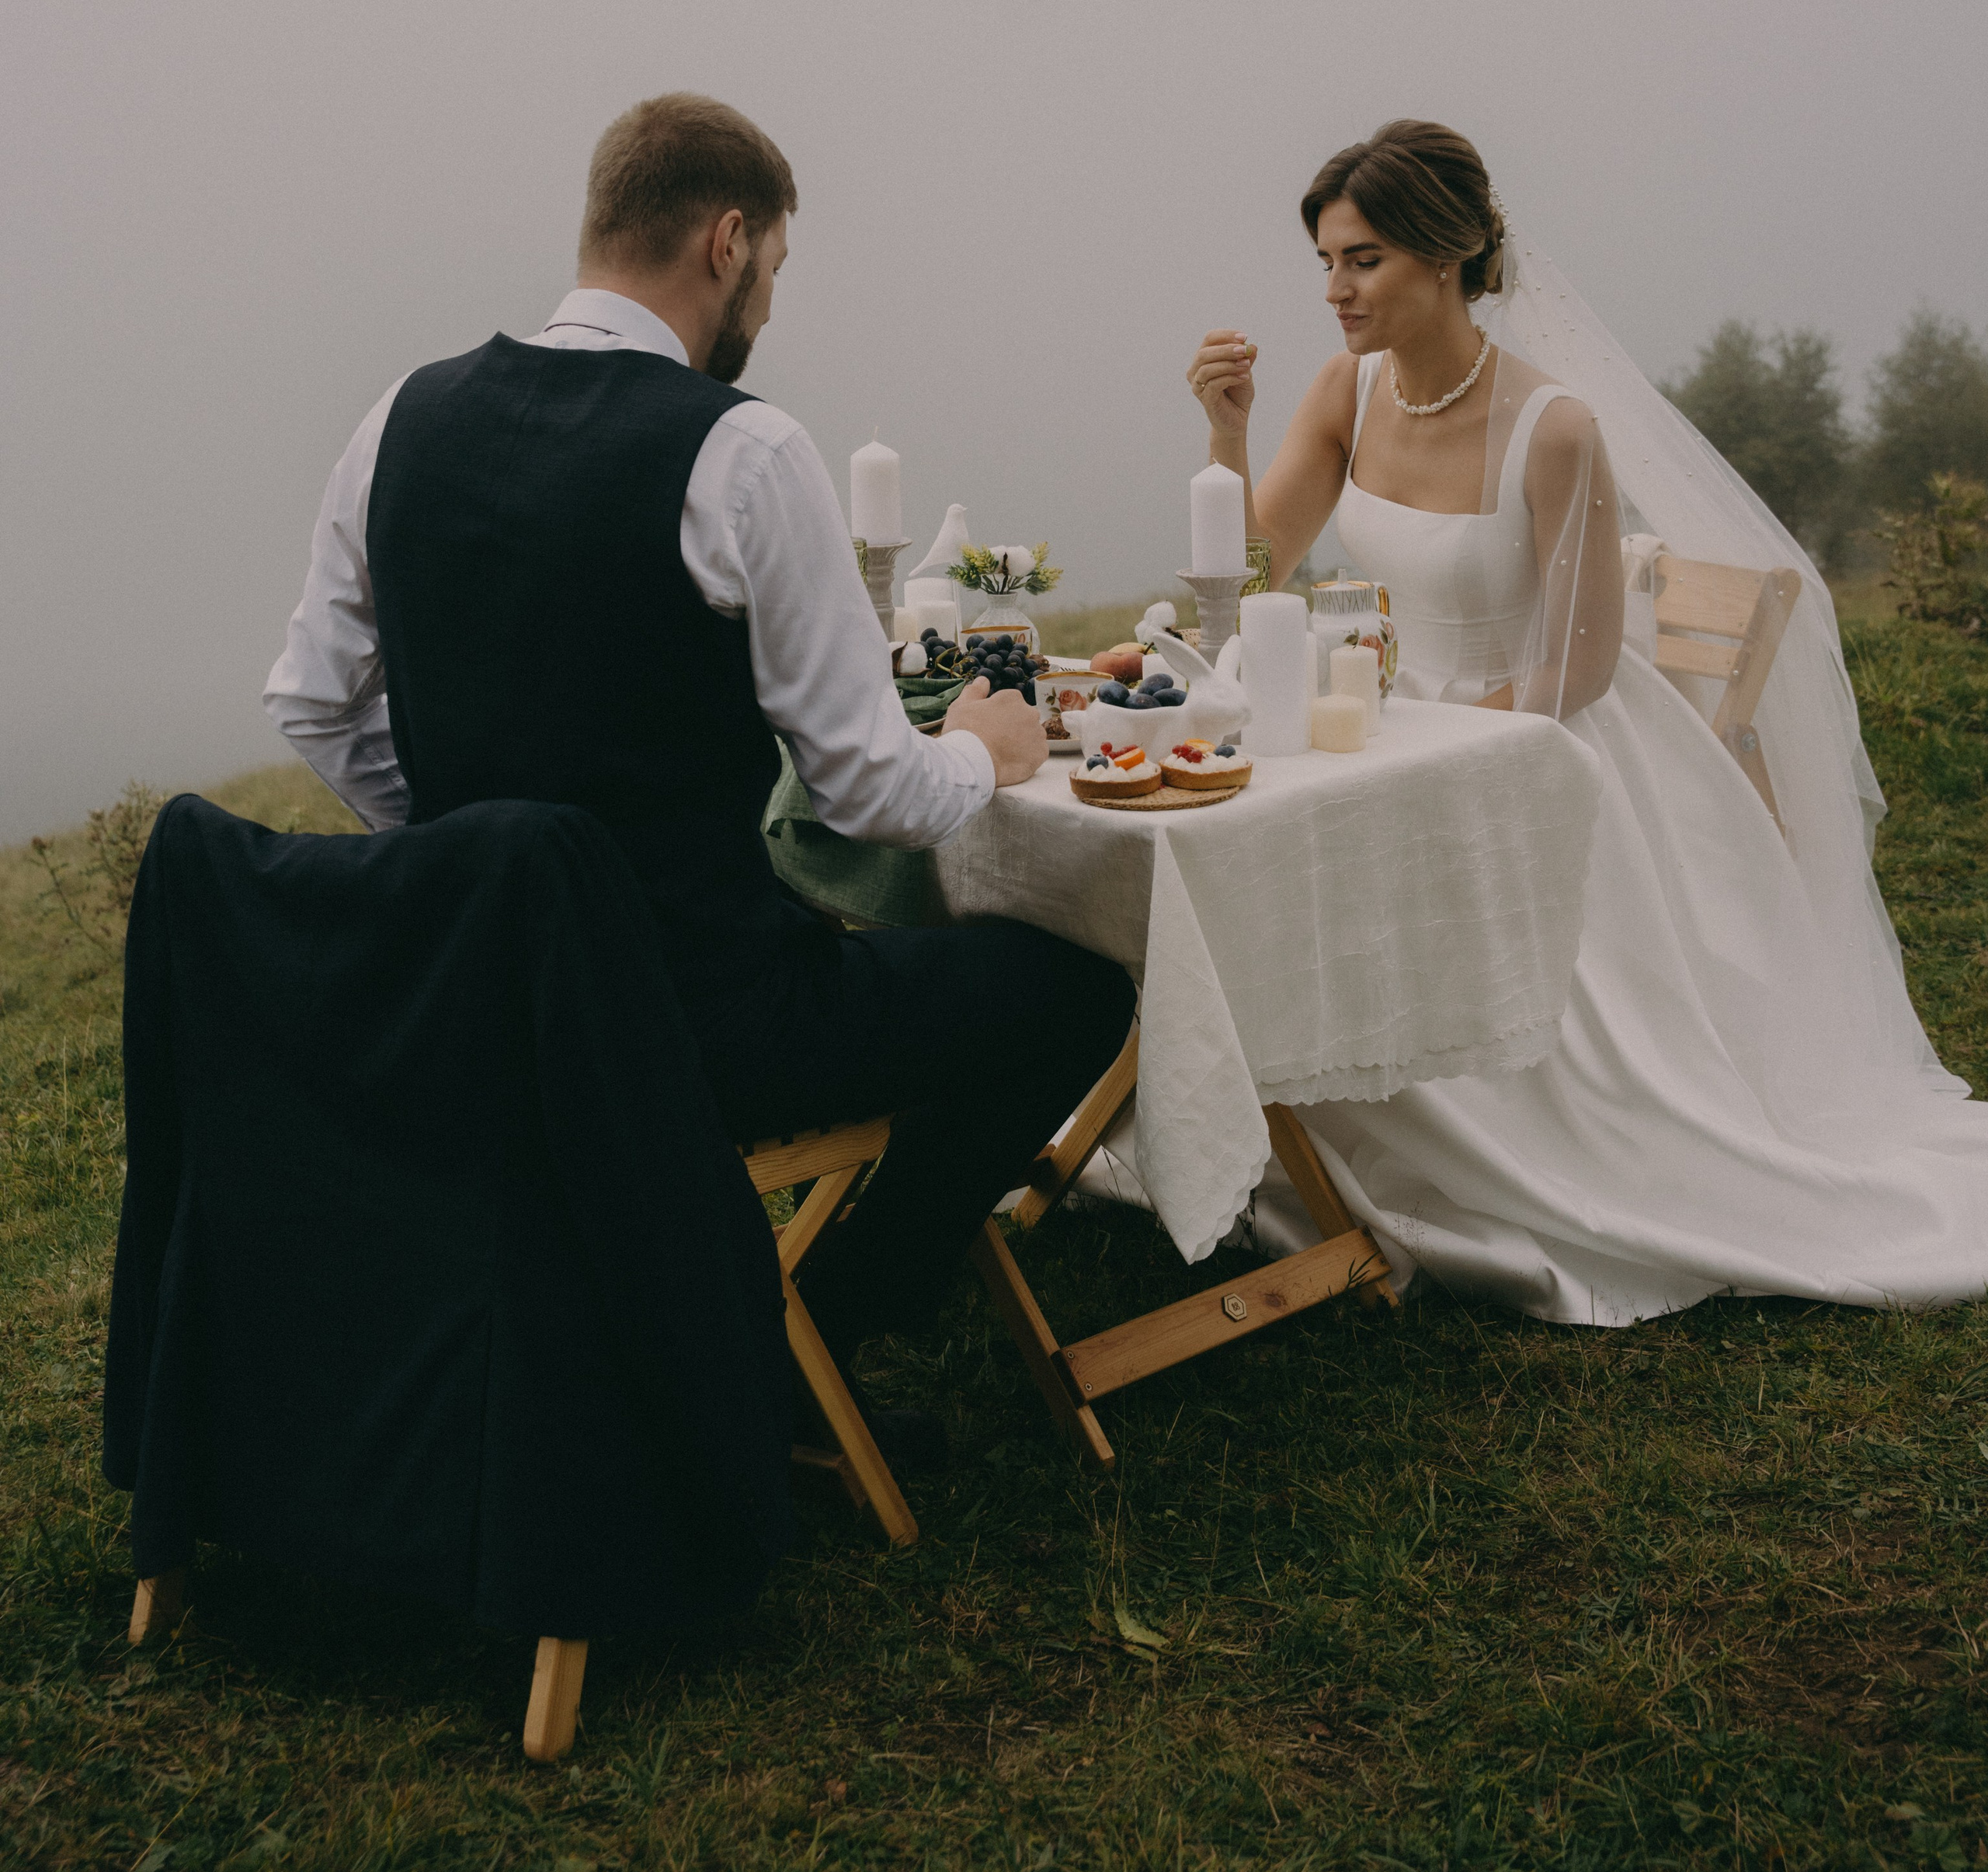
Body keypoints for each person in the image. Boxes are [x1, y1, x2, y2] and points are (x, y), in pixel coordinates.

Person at [266, 92, 1134, 1456]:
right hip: (702, 1027)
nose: (769, 308)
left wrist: (473, 857)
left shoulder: (397, 418)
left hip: (481, 1006)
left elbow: (315, 705)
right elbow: (865, 793)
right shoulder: (742, 450)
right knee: (1073, 989)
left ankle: (728, 1322)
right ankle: (812, 1343)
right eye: (776, 270)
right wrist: (987, 743)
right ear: (727, 241)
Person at [1180, 117, 1988, 1324]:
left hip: (1541, 746)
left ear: (1445, 258)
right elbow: (1258, 570)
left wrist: (1431, 755)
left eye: (1363, 261)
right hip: (1392, 724)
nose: (1335, 290)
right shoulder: (1345, 390)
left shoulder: (1551, 427)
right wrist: (1228, 432)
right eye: (1327, 263)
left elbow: (1580, 668)